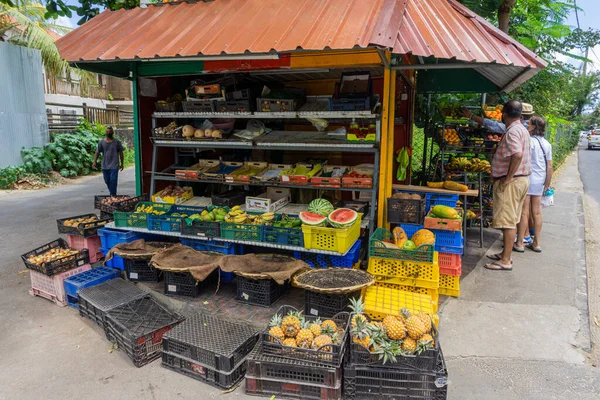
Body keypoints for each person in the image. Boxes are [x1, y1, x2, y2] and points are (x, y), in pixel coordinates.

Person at [485, 100, 531, 271]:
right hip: (522, 180)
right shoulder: (522, 129)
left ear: (504, 114)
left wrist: (507, 178)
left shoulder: (512, 132)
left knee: (507, 221)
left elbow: (517, 155)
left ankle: (505, 260)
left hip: (512, 181)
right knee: (511, 218)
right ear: (521, 114)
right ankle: (505, 253)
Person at [514, 116, 553, 253]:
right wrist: (547, 184)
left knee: (524, 212)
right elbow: (549, 166)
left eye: (529, 123)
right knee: (536, 212)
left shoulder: (529, 141)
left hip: (528, 178)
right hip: (540, 181)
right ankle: (536, 243)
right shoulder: (547, 144)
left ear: (533, 127)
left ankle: (519, 242)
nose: (526, 125)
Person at [460, 103, 534, 133]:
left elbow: (494, 125)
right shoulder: (533, 127)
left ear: (521, 117)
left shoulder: (517, 129)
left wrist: (471, 116)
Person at [92, 127, 124, 196]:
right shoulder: (101, 142)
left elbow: (121, 153)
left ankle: (113, 195)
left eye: (110, 132)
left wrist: (122, 163)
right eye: (107, 131)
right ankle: (112, 194)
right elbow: (97, 152)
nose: (108, 133)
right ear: (105, 133)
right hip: (105, 165)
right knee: (107, 180)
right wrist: (94, 162)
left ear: (113, 133)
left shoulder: (117, 142)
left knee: (113, 180)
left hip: (114, 165)